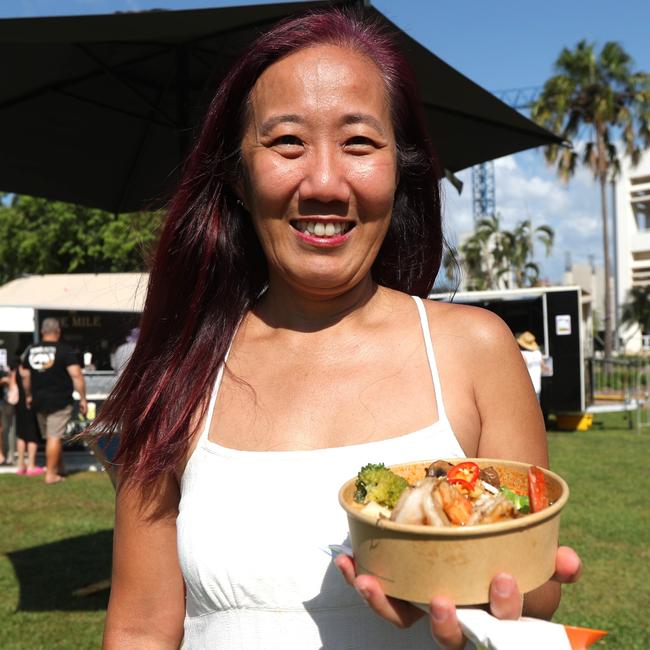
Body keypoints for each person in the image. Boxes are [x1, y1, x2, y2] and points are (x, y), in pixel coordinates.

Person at [99, 9, 581, 649]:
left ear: (399, 171)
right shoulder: (179, 370)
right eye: (287, 142)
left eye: (359, 143)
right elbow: (137, 630)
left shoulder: (475, 349)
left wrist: (477, 584)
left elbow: (537, 585)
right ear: (238, 178)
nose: (324, 183)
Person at [20, 318, 88, 484]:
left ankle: (60, 467)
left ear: (42, 332)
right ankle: (51, 475)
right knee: (54, 436)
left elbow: (25, 375)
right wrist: (83, 398)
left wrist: (28, 395)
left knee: (51, 436)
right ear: (58, 331)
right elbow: (77, 375)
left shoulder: (32, 349)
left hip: (38, 400)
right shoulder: (66, 350)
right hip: (60, 400)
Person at [10, 361, 45, 476]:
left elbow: (12, 384)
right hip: (29, 403)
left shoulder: (16, 369)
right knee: (32, 435)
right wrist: (29, 395)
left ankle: (21, 465)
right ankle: (31, 465)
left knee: (21, 434)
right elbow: (26, 379)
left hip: (19, 403)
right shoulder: (27, 369)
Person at [516, 331, 543, 400]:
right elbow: (543, 367)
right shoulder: (538, 353)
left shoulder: (522, 354)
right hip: (537, 386)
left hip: (526, 388)